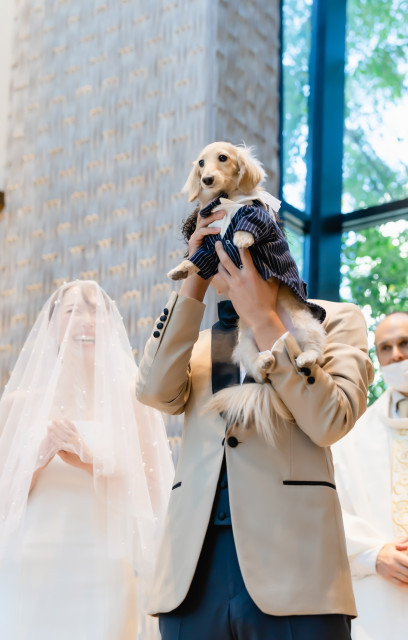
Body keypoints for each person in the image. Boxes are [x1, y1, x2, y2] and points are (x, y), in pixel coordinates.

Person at [136, 204, 374, 640]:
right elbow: (153, 392)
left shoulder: (337, 320)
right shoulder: (198, 340)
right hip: (193, 573)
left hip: (298, 569)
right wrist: (194, 281)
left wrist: (266, 321)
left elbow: (329, 422)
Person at [0, 280, 174, 640]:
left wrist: (92, 461)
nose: (85, 320)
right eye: (72, 311)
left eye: (96, 311)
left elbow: (156, 494)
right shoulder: (17, 403)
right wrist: (39, 458)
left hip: (102, 567)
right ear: (51, 327)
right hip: (29, 564)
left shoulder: (132, 400)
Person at [333, 311, 408, 640]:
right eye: (385, 348)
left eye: (406, 344)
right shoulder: (353, 433)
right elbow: (330, 510)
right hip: (377, 607)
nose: (396, 355)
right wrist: (373, 555)